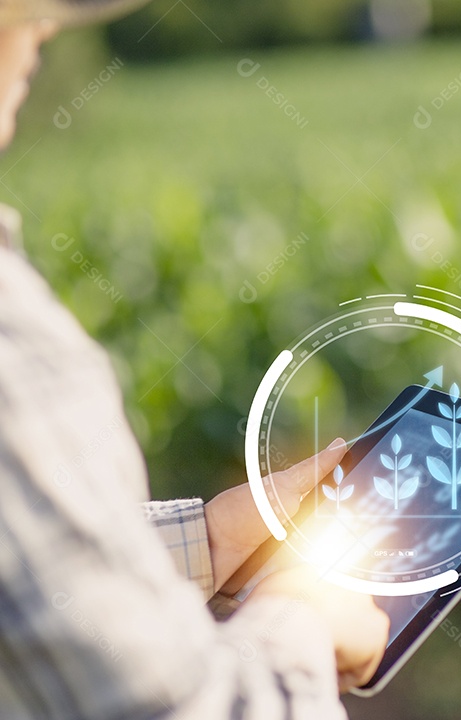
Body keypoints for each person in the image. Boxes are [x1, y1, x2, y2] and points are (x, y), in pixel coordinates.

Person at [0, 1, 389, 717]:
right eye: (21, 10)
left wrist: (208, 541)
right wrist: (302, 614)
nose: (43, 28)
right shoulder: (15, 356)